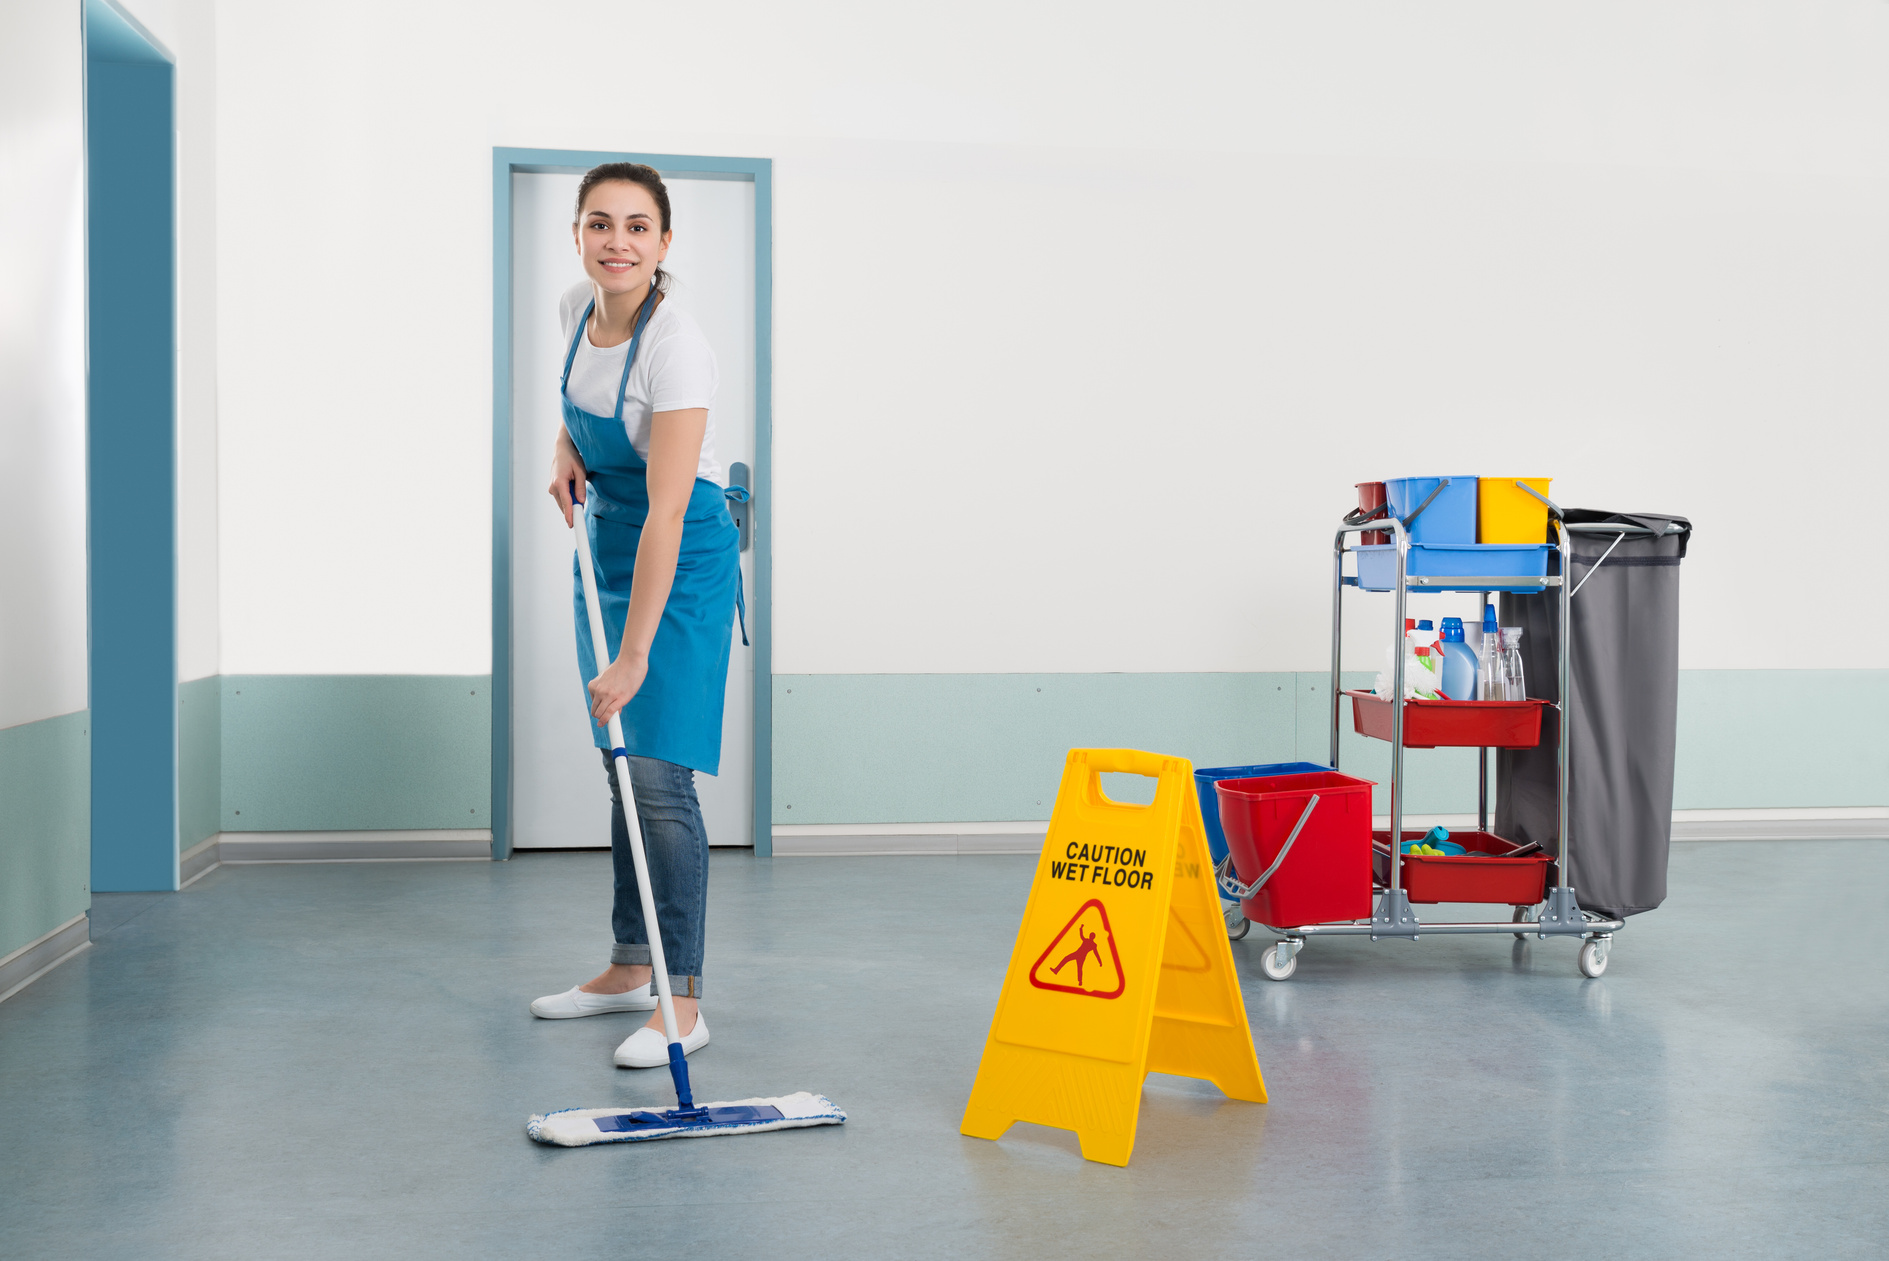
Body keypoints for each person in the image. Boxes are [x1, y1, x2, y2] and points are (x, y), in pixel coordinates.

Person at [526, 163, 742, 1070]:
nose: (617, 241)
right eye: (600, 223)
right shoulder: (576, 306)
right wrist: (563, 450)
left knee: (657, 774)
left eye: (637, 226)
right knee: (621, 767)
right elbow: (578, 411)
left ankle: (681, 1000)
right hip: (607, 548)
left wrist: (637, 652)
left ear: (663, 242)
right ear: (578, 233)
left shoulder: (676, 347)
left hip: (678, 558)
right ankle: (628, 965)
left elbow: (668, 507)